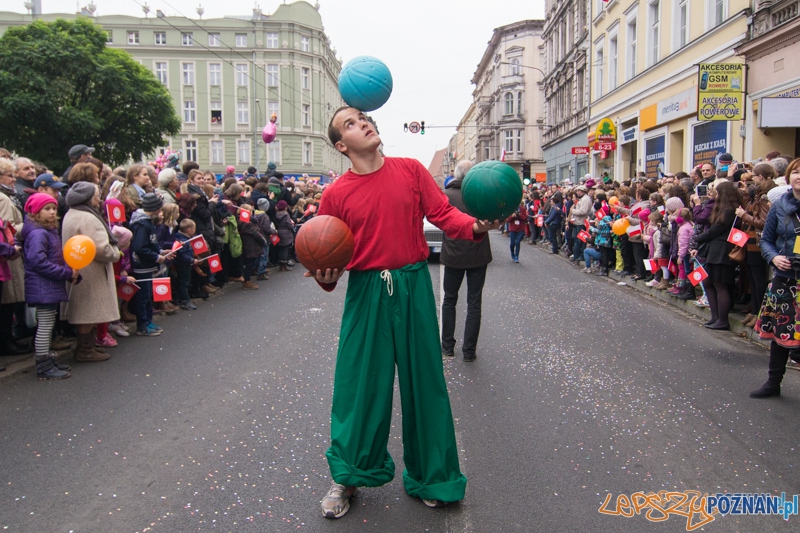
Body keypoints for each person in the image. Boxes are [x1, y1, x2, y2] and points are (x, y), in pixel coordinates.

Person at [309, 107, 498, 518]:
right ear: (342, 146)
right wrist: (324, 276)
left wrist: (477, 227)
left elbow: (444, 214)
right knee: (358, 387)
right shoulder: (335, 194)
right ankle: (348, 475)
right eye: (350, 124)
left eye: (362, 116)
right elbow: (327, 253)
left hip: (412, 286)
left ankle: (435, 476)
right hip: (365, 292)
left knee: (425, 384)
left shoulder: (411, 171)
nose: (362, 122)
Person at [751, 158, 800, 398]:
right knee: (781, 333)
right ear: (789, 176)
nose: (799, 176)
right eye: (796, 172)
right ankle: (773, 383)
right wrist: (774, 258)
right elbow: (767, 239)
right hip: (786, 278)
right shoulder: (779, 205)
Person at [18, 193, 77, 379]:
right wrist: (65, 273)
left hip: (49, 284)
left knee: (48, 323)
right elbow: (38, 261)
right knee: (45, 325)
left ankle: (46, 360)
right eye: (47, 209)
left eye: (53, 208)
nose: (52, 212)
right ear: (35, 212)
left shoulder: (47, 231)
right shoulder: (38, 233)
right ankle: (42, 364)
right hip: (43, 285)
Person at [440, 159, 492, 362]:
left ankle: (447, 346)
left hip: (453, 255)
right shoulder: (482, 194)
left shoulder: (446, 196)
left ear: (456, 174)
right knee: (474, 302)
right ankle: (469, 351)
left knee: (449, 300)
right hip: (478, 255)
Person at [61, 182, 120, 361]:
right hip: (91, 272)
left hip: (81, 268)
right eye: (96, 195)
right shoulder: (88, 218)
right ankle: (85, 350)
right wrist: (115, 253)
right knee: (88, 312)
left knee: (87, 310)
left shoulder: (71, 214)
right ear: (87, 198)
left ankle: (88, 346)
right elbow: (100, 248)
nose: (99, 198)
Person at [691, 181, 742, 330]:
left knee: (720, 285)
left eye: (718, 193)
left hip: (723, 251)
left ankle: (722, 319)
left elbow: (715, 230)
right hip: (715, 250)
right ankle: (715, 316)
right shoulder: (723, 209)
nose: (716, 196)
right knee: (709, 283)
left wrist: (697, 239)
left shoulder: (730, 211)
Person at [129, 192, 175, 336]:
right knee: (143, 296)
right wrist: (156, 257)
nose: (161, 210)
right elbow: (140, 247)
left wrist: (160, 251)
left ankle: (148, 321)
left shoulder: (148, 222)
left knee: (148, 295)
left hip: (147, 265)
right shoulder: (141, 224)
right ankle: (142, 325)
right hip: (141, 265)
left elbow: (151, 242)